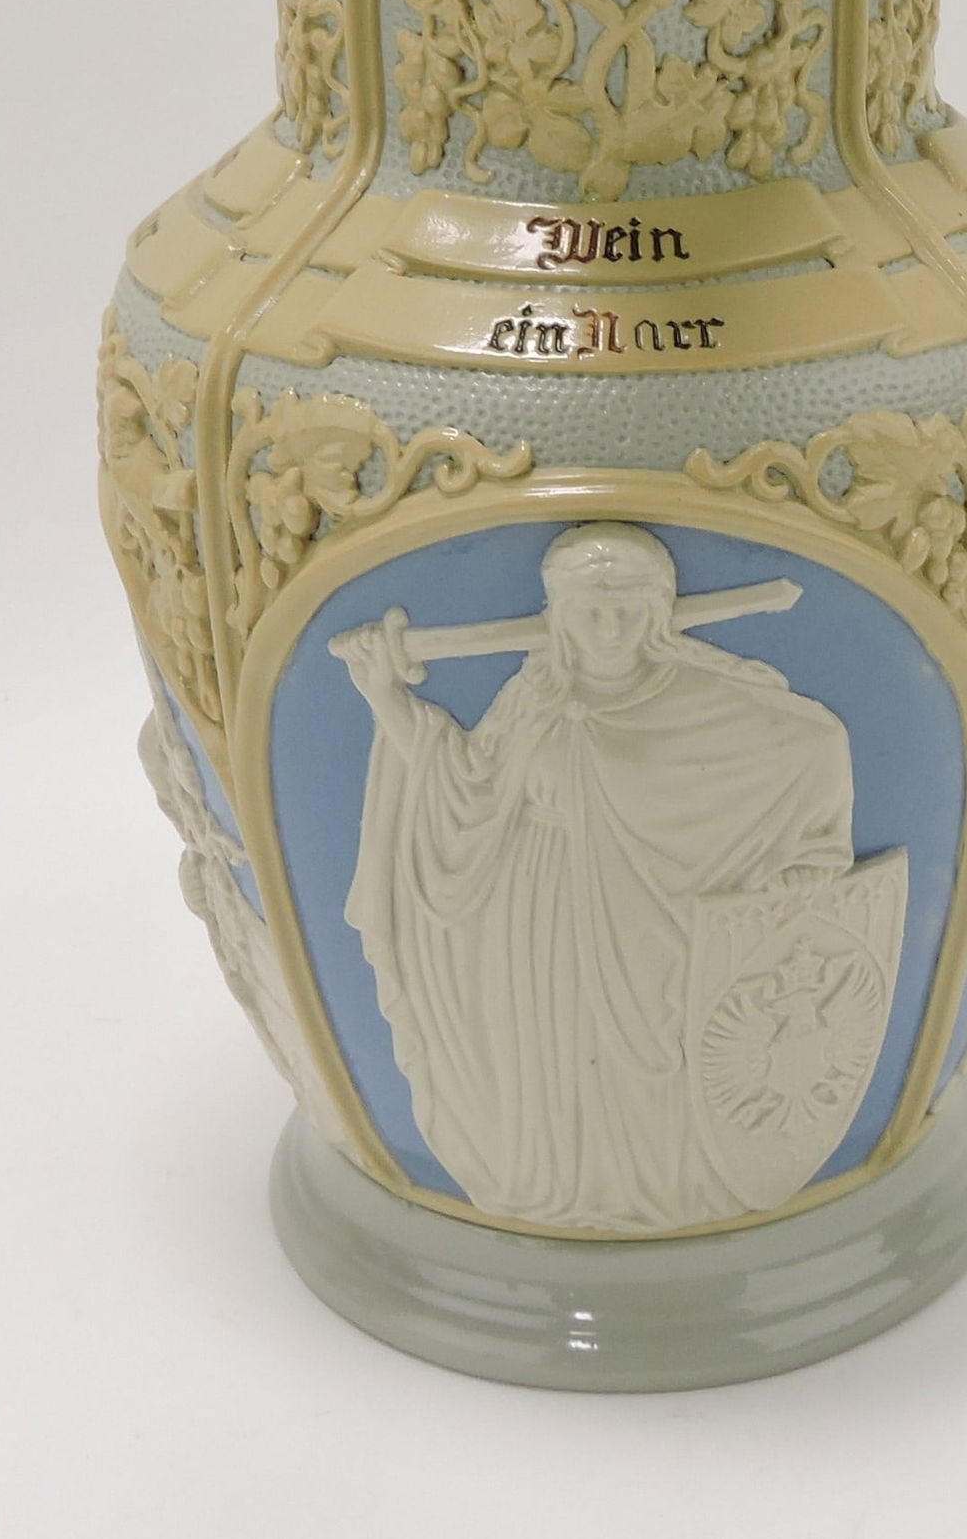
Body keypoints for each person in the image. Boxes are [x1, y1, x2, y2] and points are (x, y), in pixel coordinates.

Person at [335, 523, 859, 1233]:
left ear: (657, 614)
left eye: (625, 610)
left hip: (646, 927)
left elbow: (816, 743)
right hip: (540, 915)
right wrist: (384, 697)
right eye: (589, 611)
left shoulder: (700, 695)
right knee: (552, 1069)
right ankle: (555, 1193)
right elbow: (462, 789)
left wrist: (807, 859)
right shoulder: (534, 698)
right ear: (559, 617)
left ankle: (666, 1196)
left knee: (643, 1075)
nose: (608, 629)